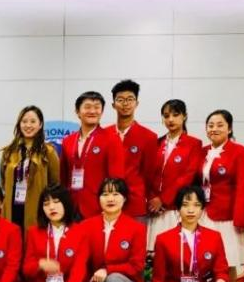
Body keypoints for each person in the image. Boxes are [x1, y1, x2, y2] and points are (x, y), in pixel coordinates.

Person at [78, 178, 146, 282]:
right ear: (99, 198)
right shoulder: (86, 226)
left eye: (116, 194)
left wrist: (108, 270)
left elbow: (137, 266)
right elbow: (82, 266)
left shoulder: (136, 228)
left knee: (113, 280)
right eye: (105, 194)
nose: (110, 199)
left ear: (124, 198)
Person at [199, 110, 244, 276]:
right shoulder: (202, 151)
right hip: (203, 212)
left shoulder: (239, 152)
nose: (214, 129)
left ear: (229, 129)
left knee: (229, 260)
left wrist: (241, 218)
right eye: (210, 125)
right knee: (205, 258)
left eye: (220, 125)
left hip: (227, 215)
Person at [60, 92, 126, 219]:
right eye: (87, 107)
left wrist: (111, 206)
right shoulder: (68, 140)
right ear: (77, 112)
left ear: (102, 112)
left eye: (97, 107)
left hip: (98, 207)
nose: (92, 111)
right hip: (71, 207)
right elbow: (63, 177)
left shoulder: (111, 138)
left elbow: (117, 178)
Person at [147, 99, 203, 246]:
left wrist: (163, 200)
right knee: (153, 251)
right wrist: (152, 199)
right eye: (166, 116)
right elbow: (148, 173)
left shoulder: (194, 143)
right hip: (154, 209)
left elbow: (188, 175)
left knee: (176, 249)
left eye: (175, 115)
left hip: (175, 207)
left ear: (184, 116)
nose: (170, 119)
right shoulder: (156, 142)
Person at [0, 105, 60, 230]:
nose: (28, 125)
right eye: (24, 121)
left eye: (33, 121)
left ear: (40, 124)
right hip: (12, 207)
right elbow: (4, 180)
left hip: (36, 209)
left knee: (33, 238)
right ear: (19, 124)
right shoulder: (9, 151)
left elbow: (55, 184)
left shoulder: (48, 152)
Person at [110, 80, 158, 221]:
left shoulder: (149, 137)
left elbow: (149, 173)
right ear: (113, 105)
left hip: (135, 203)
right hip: (108, 203)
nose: (125, 104)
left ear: (137, 103)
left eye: (130, 99)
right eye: (120, 100)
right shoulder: (104, 134)